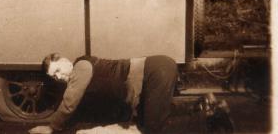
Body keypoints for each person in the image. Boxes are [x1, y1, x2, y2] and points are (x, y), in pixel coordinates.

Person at [29, 53, 234, 134]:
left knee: (152, 128)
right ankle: (206, 105)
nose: (57, 77)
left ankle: (207, 120)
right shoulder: (79, 79)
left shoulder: (80, 66)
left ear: (64, 61)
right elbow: (78, 111)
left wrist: (51, 127)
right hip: (153, 74)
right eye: (53, 76)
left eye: (57, 70)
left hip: (154, 70)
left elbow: (70, 102)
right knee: (157, 115)